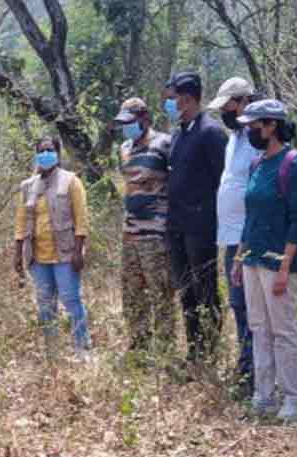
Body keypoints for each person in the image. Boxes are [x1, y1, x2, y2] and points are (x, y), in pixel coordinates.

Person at [230, 99, 297, 425]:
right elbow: (251, 216)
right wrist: (239, 258)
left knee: (283, 330)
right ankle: (263, 396)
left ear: (271, 125)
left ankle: (292, 398)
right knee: (259, 328)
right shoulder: (257, 165)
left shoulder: (294, 163)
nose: (249, 132)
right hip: (252, 258)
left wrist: (285, 265)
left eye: (254, 126)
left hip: (277, 261)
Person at [164, 72, 227, 369]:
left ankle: (211, 354)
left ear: (187, 98)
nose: (169, 103)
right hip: (176, 226)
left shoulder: (211, 132)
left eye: (171, 97)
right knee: (186, 292)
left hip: (201, 228)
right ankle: (194, 353)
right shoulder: (179, 133)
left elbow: (222, 180)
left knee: (206, 291)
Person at [14, 136, 92, 361]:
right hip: (38, 257)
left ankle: (82, 349)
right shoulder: (28, 186)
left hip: (66, 254)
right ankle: (52, 353)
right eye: (41, 150)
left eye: (49, 150)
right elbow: (21, 222)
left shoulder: (71, 182)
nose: (45, 154)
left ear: (58, 154)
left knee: (71, 300)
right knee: (45, 305)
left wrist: (79, 251)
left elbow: (81, 219)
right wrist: (17, 253)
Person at [114, 97, 177, 362]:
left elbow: (176, 182)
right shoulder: (124, 148)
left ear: (144, 118)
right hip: (130, 233)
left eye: (130, 122)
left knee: (161, 293)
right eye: (122, 123)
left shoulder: (164, 143)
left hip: (156, 233)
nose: (126, 127)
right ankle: (139, 347)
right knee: (132, 294)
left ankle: (164, 351)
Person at [209, 77, 260, 397]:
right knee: (238, 305)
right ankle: (245, 367)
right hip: (230, 237)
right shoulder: (235, 137)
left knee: (252, 307)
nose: (225, 112)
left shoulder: (258, 139)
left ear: (243, 102)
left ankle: (255, 373)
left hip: (250, 237)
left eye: (228, 106)